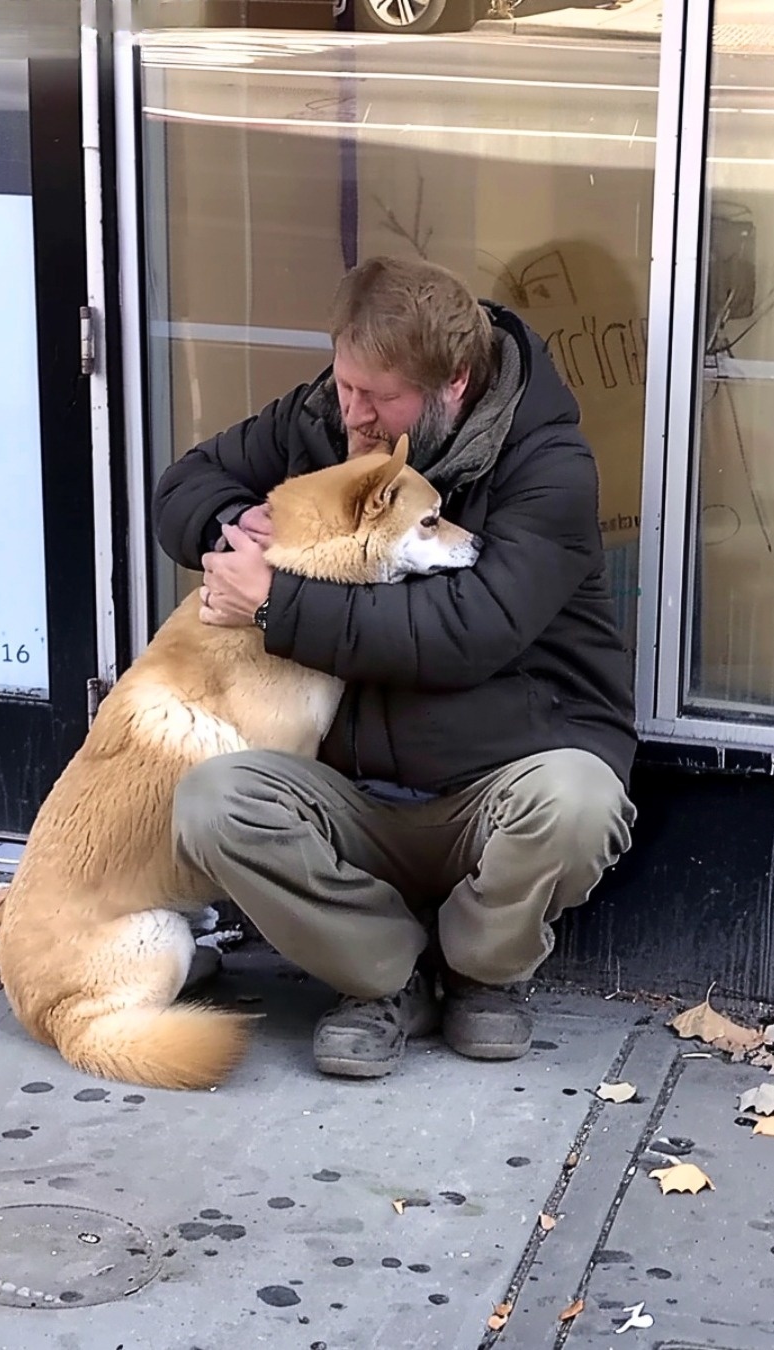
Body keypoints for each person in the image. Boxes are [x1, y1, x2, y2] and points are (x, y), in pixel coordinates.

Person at [152, 255, 637, 1079]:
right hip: (355, 795)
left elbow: (465, 632)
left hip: (496, 787)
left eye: (377, 398)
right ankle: (386, 976)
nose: (353, 414)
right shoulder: (327, 418)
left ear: (452, 385)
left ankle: (481, 974)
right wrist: (244, 524)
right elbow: (184, 484)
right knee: (211, 802)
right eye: (345, 384)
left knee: (580, 802)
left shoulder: (549, 468)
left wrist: (276, 604)